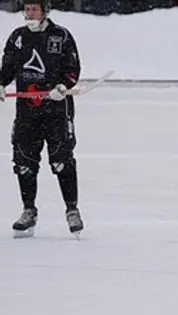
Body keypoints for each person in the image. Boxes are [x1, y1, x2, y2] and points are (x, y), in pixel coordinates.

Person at [0, 0, 84, 237]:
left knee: (61, 160)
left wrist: (62, 85)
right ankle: (29, 211)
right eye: (27, 9)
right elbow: (8, 67)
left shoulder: (61, 36)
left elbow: (72, 69)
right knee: (24, 163)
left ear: (45, 10)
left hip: (57, 110)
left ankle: (72, 210)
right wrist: (0, 82)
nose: (30, 13)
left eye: (34, 9)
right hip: (27, 110)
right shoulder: (17, 37)